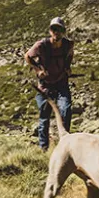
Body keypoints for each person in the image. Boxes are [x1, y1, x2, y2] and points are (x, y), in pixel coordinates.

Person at [25, 17, 74, 152]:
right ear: (50, 31)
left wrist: (68, 67)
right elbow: (27, 56)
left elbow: (70, 54)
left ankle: (64, 144)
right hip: (45, 85)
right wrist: (38, 70)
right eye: (54, 29)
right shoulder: (41, 45)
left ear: (63, 31)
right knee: (44, 117)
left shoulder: (68, 44)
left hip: (61, 82)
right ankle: (44, 148)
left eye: (59, 29)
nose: (56, 32)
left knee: (66, 109)